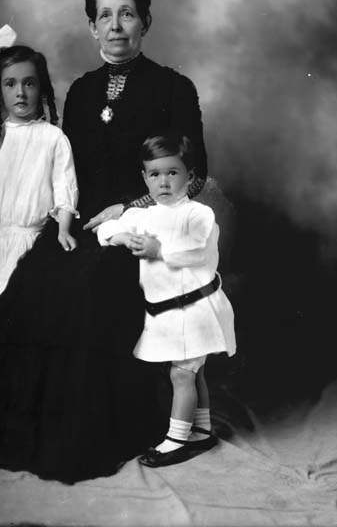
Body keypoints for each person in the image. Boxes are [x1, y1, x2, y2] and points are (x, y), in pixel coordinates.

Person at [0, 0, 208, 484]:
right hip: (84, 223)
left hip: (145, 223)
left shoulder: (174, 87)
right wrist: (61, 220)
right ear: (92, 26)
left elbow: (197, 174)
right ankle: (29, 418)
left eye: (126, 14)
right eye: (104, 16)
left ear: (145, 21)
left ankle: (91, 425)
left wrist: (129, 208)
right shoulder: (81, 91)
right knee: (36, 277)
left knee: (90, 288)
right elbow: (67, 172)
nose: (115, 26)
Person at [97, 134, 236, 468]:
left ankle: (175, 442)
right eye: (155, 174)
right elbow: (105, 230)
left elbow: (197, 250)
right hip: (166, 312)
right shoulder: (142, 216)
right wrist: (119, 235)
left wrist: (159, 250)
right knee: (193, 372)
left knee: (182, 375)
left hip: (196, 308)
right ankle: (201, 431)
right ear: (145, 178)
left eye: (172, 173)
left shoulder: (198, 214)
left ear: (190, 176)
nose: (163, 182)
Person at [0, 25, 79, 315]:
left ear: (41, 88)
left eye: (29, 84)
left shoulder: (52, 138)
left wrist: (64, 230)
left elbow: (65, 189)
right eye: (10, 84)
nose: (20, 93)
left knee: (30, 313)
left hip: (35, 243)